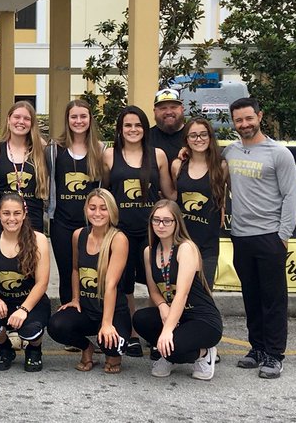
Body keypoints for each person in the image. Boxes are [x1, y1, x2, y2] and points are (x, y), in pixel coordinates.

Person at [224, 96, 296, 379]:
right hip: (241, 236)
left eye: (248, 118)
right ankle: (256, 348)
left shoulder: (279, 154)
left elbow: (291, 195)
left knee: (273, 298)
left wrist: (283, 235)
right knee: (250, 296)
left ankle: (274, 354)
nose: (244, 124)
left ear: (260, 116)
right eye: (239, 120)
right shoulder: (229, 152)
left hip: (270, 236)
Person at [103, 104, 173, 357]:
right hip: (120, 231)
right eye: (127, 125)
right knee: (125, 285)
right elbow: (105, 193)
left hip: (153, 231)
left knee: (159, 282)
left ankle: (158, 333)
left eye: (138, 125)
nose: (133, 129)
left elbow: (170, 193)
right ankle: (131, 333)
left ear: (145, 128)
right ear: (120, 130)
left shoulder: (159, 155)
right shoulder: (109, 155)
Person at [132, 200, 223, 381]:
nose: (161, 225)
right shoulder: (149, 251)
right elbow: (154, 290)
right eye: (156, 220)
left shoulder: (186, 248)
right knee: (140, 319)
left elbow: (182, 294)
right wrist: (162, 306)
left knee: (173, 348)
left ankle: (204, 353)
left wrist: (167, 331)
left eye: (167, 220)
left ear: (177, 223)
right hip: (176, 314)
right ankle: (170, 352)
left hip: (201, 318)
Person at [46, 188, 132, 374]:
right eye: (92, 208)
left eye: (103, 208)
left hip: (113, 311)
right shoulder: (79, 234)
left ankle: (112, 352)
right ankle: (87, 347)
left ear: (112, 212)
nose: (97, 213)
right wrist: (75, 298)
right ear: (86, 210)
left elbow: (110, 284)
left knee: (111, 346)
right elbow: (76, 269)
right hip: (87, 310)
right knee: (56, 325)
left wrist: (107, 323)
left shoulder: (119, 239)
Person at [0, 192, 53, 373]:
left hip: (32, 303)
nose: (12, 218)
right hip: (3, 302)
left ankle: (34, 349)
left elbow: (42, 283)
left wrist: (24, 310)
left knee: (30, 330)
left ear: (24, 214)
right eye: (6, 213)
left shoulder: (38, 239)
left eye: (17, 213)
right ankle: (5, 349)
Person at [49, 99, 104, 306]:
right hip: (61, 223)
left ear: (90, 119)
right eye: (74, 116)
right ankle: (69, 313)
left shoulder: (100, 149)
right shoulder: (55, 149)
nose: (78, 121)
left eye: (83, 116)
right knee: (66, 272)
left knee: (92, 271)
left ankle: (95, 315)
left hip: (91, 224)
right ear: (67, 120)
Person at [173, 117, 229, 287]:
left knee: (205, 294)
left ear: (210, 137)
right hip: (181, 241)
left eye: (203, 134)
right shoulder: (177, 165)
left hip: (208, 244)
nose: (199, 139)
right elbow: (172, 197)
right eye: (193, 136)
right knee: (180, 292)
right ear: (186, 140)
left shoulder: (221, 167)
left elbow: (223, 198)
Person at [0, 101, 49, 236]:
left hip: (32, 216)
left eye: (26, 118)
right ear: (8, 119)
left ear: (32, 123)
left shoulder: (41, 147)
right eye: (17, 117)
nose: (21, 122)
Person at [148, 88, 187, 163]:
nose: (168, 112)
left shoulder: (194, 136)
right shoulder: (146, 138)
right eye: (163, 108)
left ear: (182, 109)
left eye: (173, 107)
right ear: (155, 111)